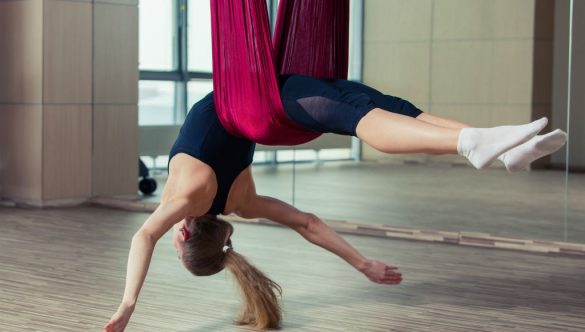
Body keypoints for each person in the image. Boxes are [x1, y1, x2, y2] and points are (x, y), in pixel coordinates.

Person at [103, 74, 567, 331]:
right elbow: (144, 235)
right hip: (266, 99)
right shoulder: (190, 195)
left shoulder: (239, 202)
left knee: (385, 105)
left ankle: (505, 148)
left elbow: (306, 223)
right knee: (361, 116)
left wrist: (360, 263)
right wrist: (127, 305)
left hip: (268, 91)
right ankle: (471, 145)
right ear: (183, 232)